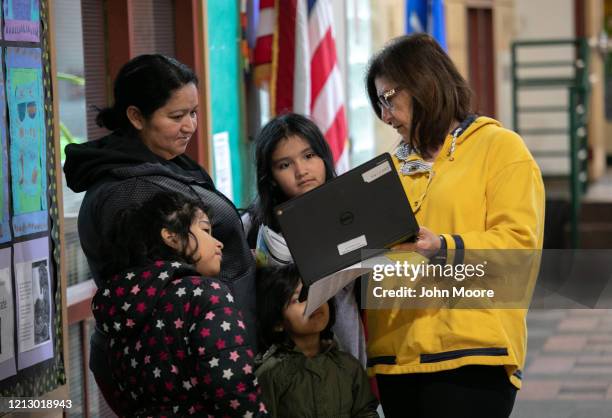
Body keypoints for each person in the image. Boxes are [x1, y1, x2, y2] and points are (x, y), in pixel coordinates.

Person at [364, 34, 545, 418]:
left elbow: (518, 251)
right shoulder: (387, 171)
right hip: (396, 360)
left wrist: (444, 247)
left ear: (423, 83)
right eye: (378, 103)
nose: (385, 116)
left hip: (472, 357)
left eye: (388, 98)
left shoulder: (500, 149)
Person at [63, 54, 256, 413]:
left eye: (194, 112)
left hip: (215, 352)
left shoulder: (164, 165)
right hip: (193, 375)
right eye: (176, 116)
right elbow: (160, 296)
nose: (190, 126)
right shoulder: (131, 192)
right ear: (136, 117)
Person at [92, 192, 267, 417]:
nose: (219, 243)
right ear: (172, 237)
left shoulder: (122, 306)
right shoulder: (206, 294)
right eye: (205, 230)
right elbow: (235, 391)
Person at [243, 112, 367, 366]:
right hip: (279, 371)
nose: (302, 171)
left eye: (309, 156)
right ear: (272, 178)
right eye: (284, 165)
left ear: (324, 157)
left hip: (348, 364)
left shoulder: (354, 215)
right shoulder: (253, 228)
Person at [255, 264, 379, 418]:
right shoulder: (271, 374)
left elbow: (366, 411)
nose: (314, 302)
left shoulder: (349, 366)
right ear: (278, 322)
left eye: (318, 294)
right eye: (299, 298)